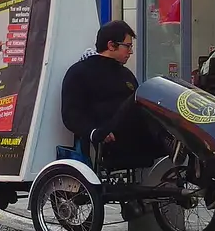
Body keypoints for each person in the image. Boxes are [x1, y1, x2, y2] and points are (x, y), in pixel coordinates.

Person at [60, 20, 166, 169]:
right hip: (110, 139)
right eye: (127, 46)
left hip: (137, 136)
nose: (131, 52)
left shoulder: (126, 74)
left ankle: (176, 142)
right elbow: (70, 115)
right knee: (142, 96)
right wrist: (93, 132)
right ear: (111, 45)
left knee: (154, 98)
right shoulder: (79, 73)